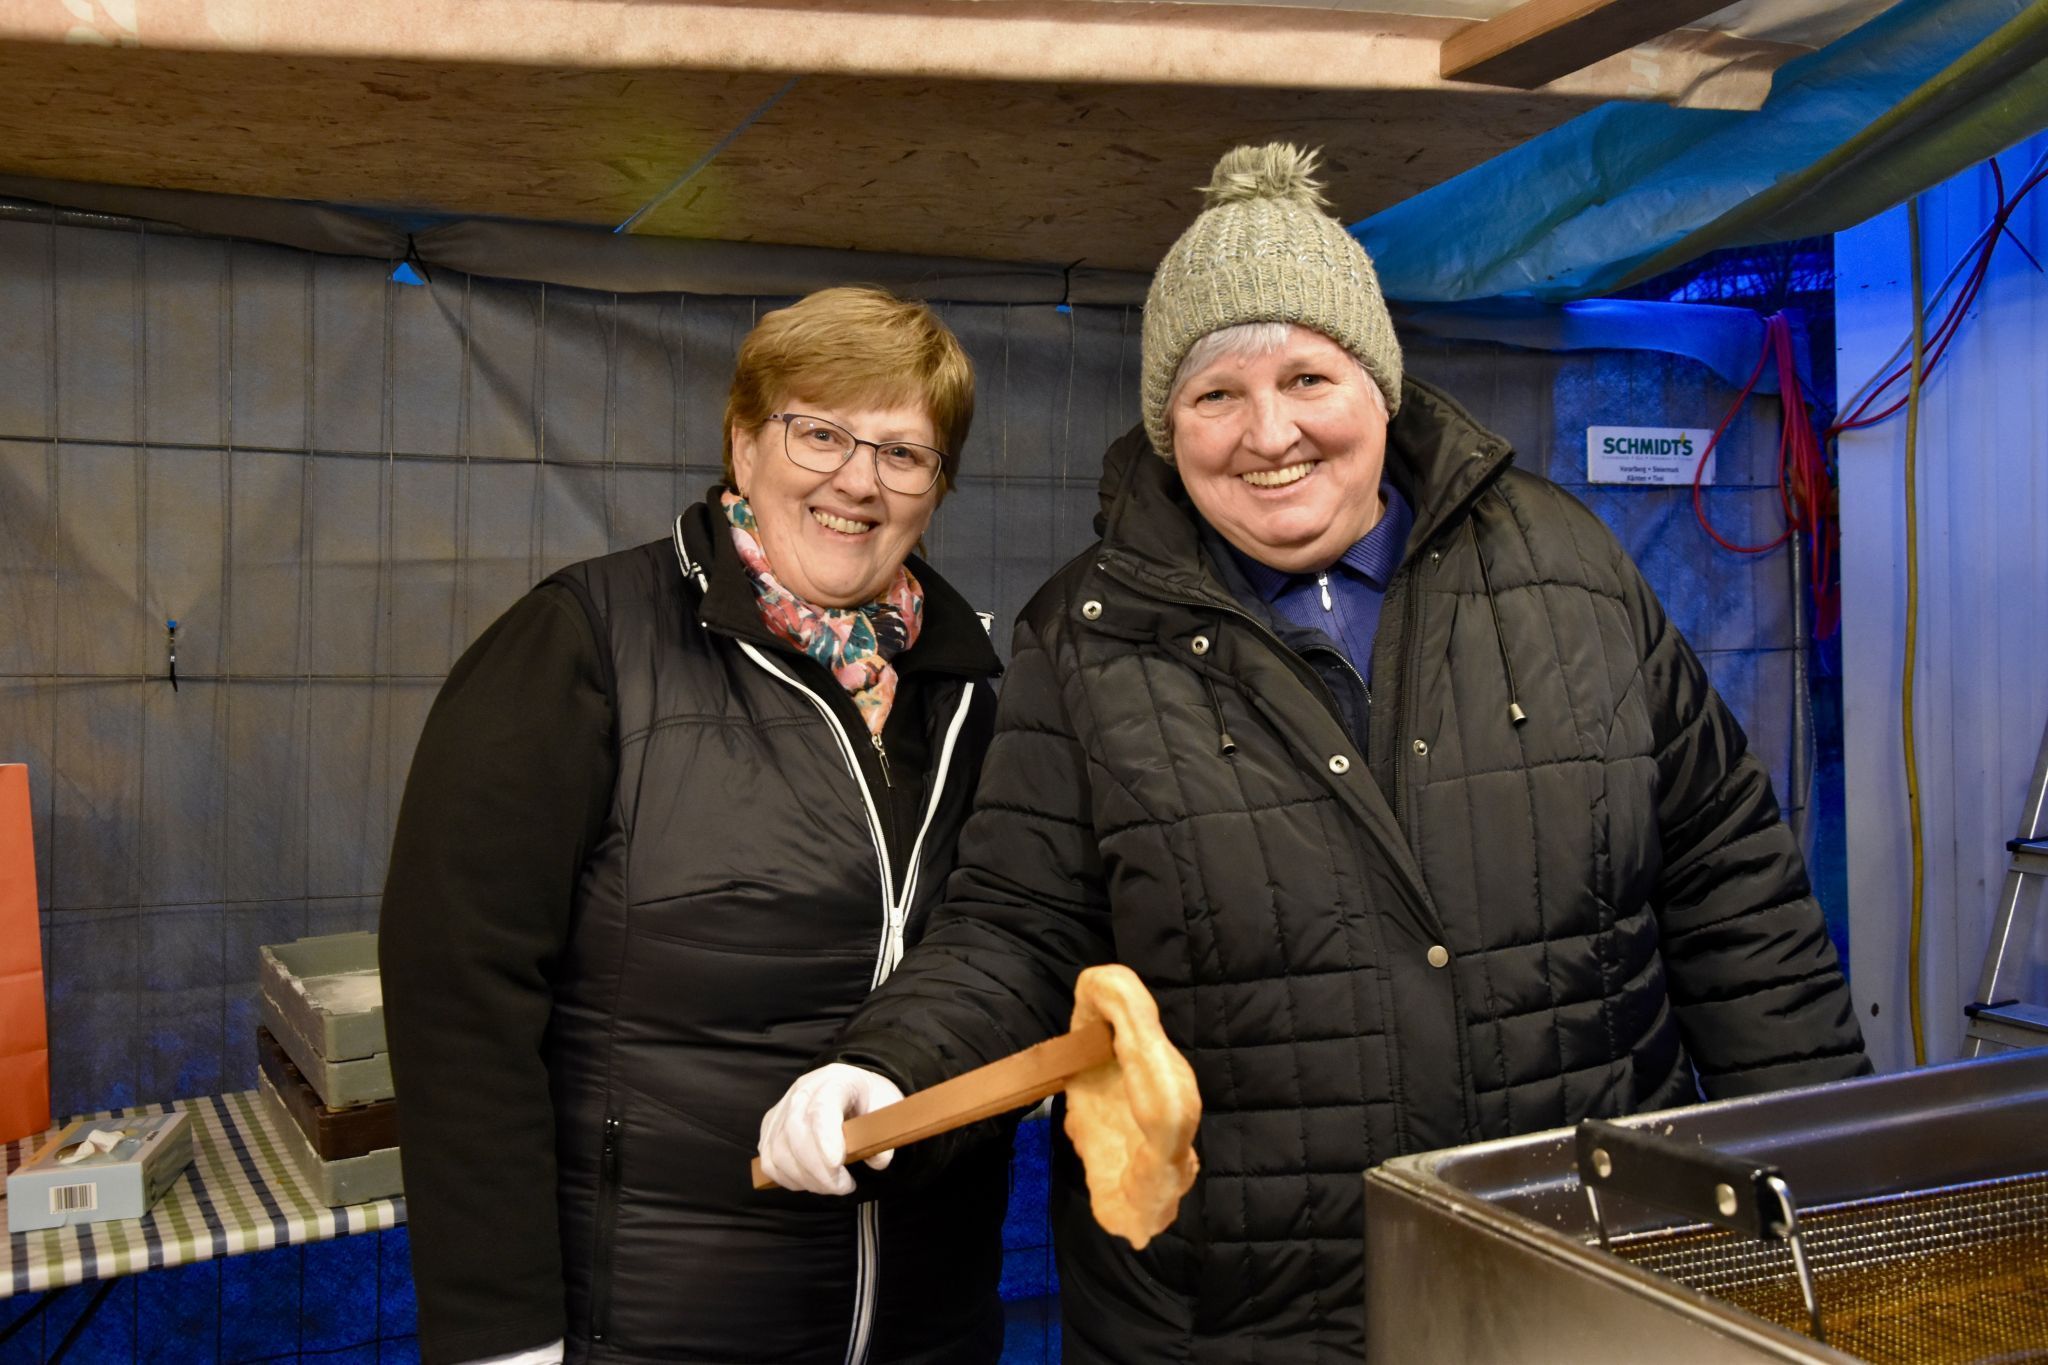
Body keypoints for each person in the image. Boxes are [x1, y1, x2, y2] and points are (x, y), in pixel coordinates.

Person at [755, 148, 1870, 1360]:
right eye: (1213, 395)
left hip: (1584, 1267)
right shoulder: (1085, 639)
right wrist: (886, 1070)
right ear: (1164, 425)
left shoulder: (1564, 566)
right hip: (1245, 1312)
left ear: (1378, 386)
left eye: (1306, 376)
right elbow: (1017, 927)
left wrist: (1835, 1209)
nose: (1267, 432)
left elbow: (1735, 894)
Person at [380, 286, 1012, 1365]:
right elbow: (461, 999)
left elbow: (1005, 950)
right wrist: (500, 1330)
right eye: (818, 432)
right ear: (742, 443)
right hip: (655, 1318)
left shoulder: (963, 693)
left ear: (935, 487)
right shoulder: (583, 649)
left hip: (923, 1319)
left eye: (903, 454)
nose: (857, 480)